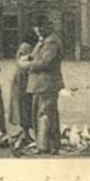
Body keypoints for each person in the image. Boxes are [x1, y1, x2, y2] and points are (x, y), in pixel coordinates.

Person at [19, 21, 65, 154]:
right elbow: (33, 56)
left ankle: (48, 146)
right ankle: (44, 145)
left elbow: (46, 63)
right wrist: (27, 58)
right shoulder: (43, 41)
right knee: (40, 114)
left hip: (46, 83)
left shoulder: (52, 42)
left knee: (45, 114)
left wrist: (25, 65)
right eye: (36, 27)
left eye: (40, 27)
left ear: (48, 26)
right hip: (39, 84)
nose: (37, 30)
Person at [8, 30, 39, 143]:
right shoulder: (27, 47)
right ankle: (26, 133)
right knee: (24, 105)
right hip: (23, 80)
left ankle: (25, 131)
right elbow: (26, 63)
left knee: (22, 105)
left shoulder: (24, 46)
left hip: (21, 79)